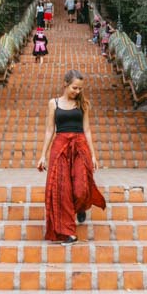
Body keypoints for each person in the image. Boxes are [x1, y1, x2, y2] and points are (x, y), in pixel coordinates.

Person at [37, 70, 106, 244]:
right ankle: (69, 232)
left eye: (80, 89)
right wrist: (42, 155)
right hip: (60, 146)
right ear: (65, 84)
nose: (77, 91)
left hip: (80, 146)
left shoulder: (83, 104)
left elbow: (87, 130)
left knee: (81, 188)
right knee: (62, 190)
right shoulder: (53, 103)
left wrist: (93, 156)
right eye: (75, 88)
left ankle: (81, 207)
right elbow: (49, 130)